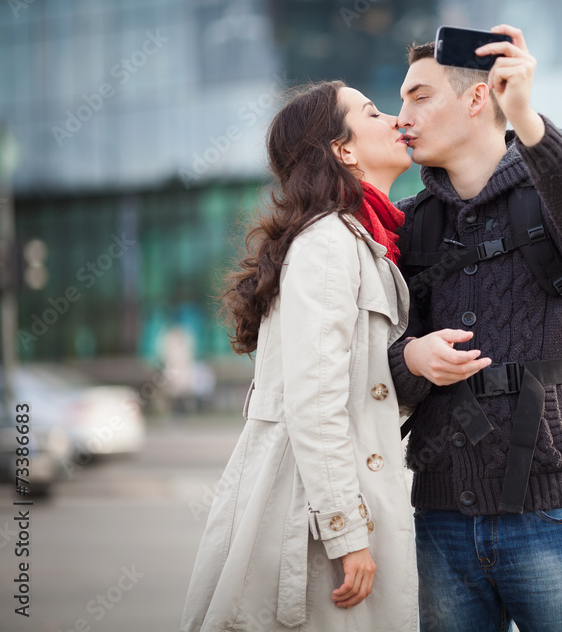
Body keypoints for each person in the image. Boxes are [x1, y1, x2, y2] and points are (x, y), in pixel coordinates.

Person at [181, 80, 479, 631]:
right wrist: (347, 533)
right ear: (343, 151)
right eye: (372, 112)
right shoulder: (329, 244)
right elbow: (315, 404)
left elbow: (351, 377)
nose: (395, 119)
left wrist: (409, 358)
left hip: (325, 505)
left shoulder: (364, 241)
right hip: (308, 521)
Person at [389, 25, 562, 631]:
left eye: (419, 96)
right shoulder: (409, 225)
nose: (401, 117)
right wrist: (412, 358)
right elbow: (378, 363)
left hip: (557, 513)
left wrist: (522, 110)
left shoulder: (553, 203)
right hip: (442, 515)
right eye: (399, 100)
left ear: (475, 100)